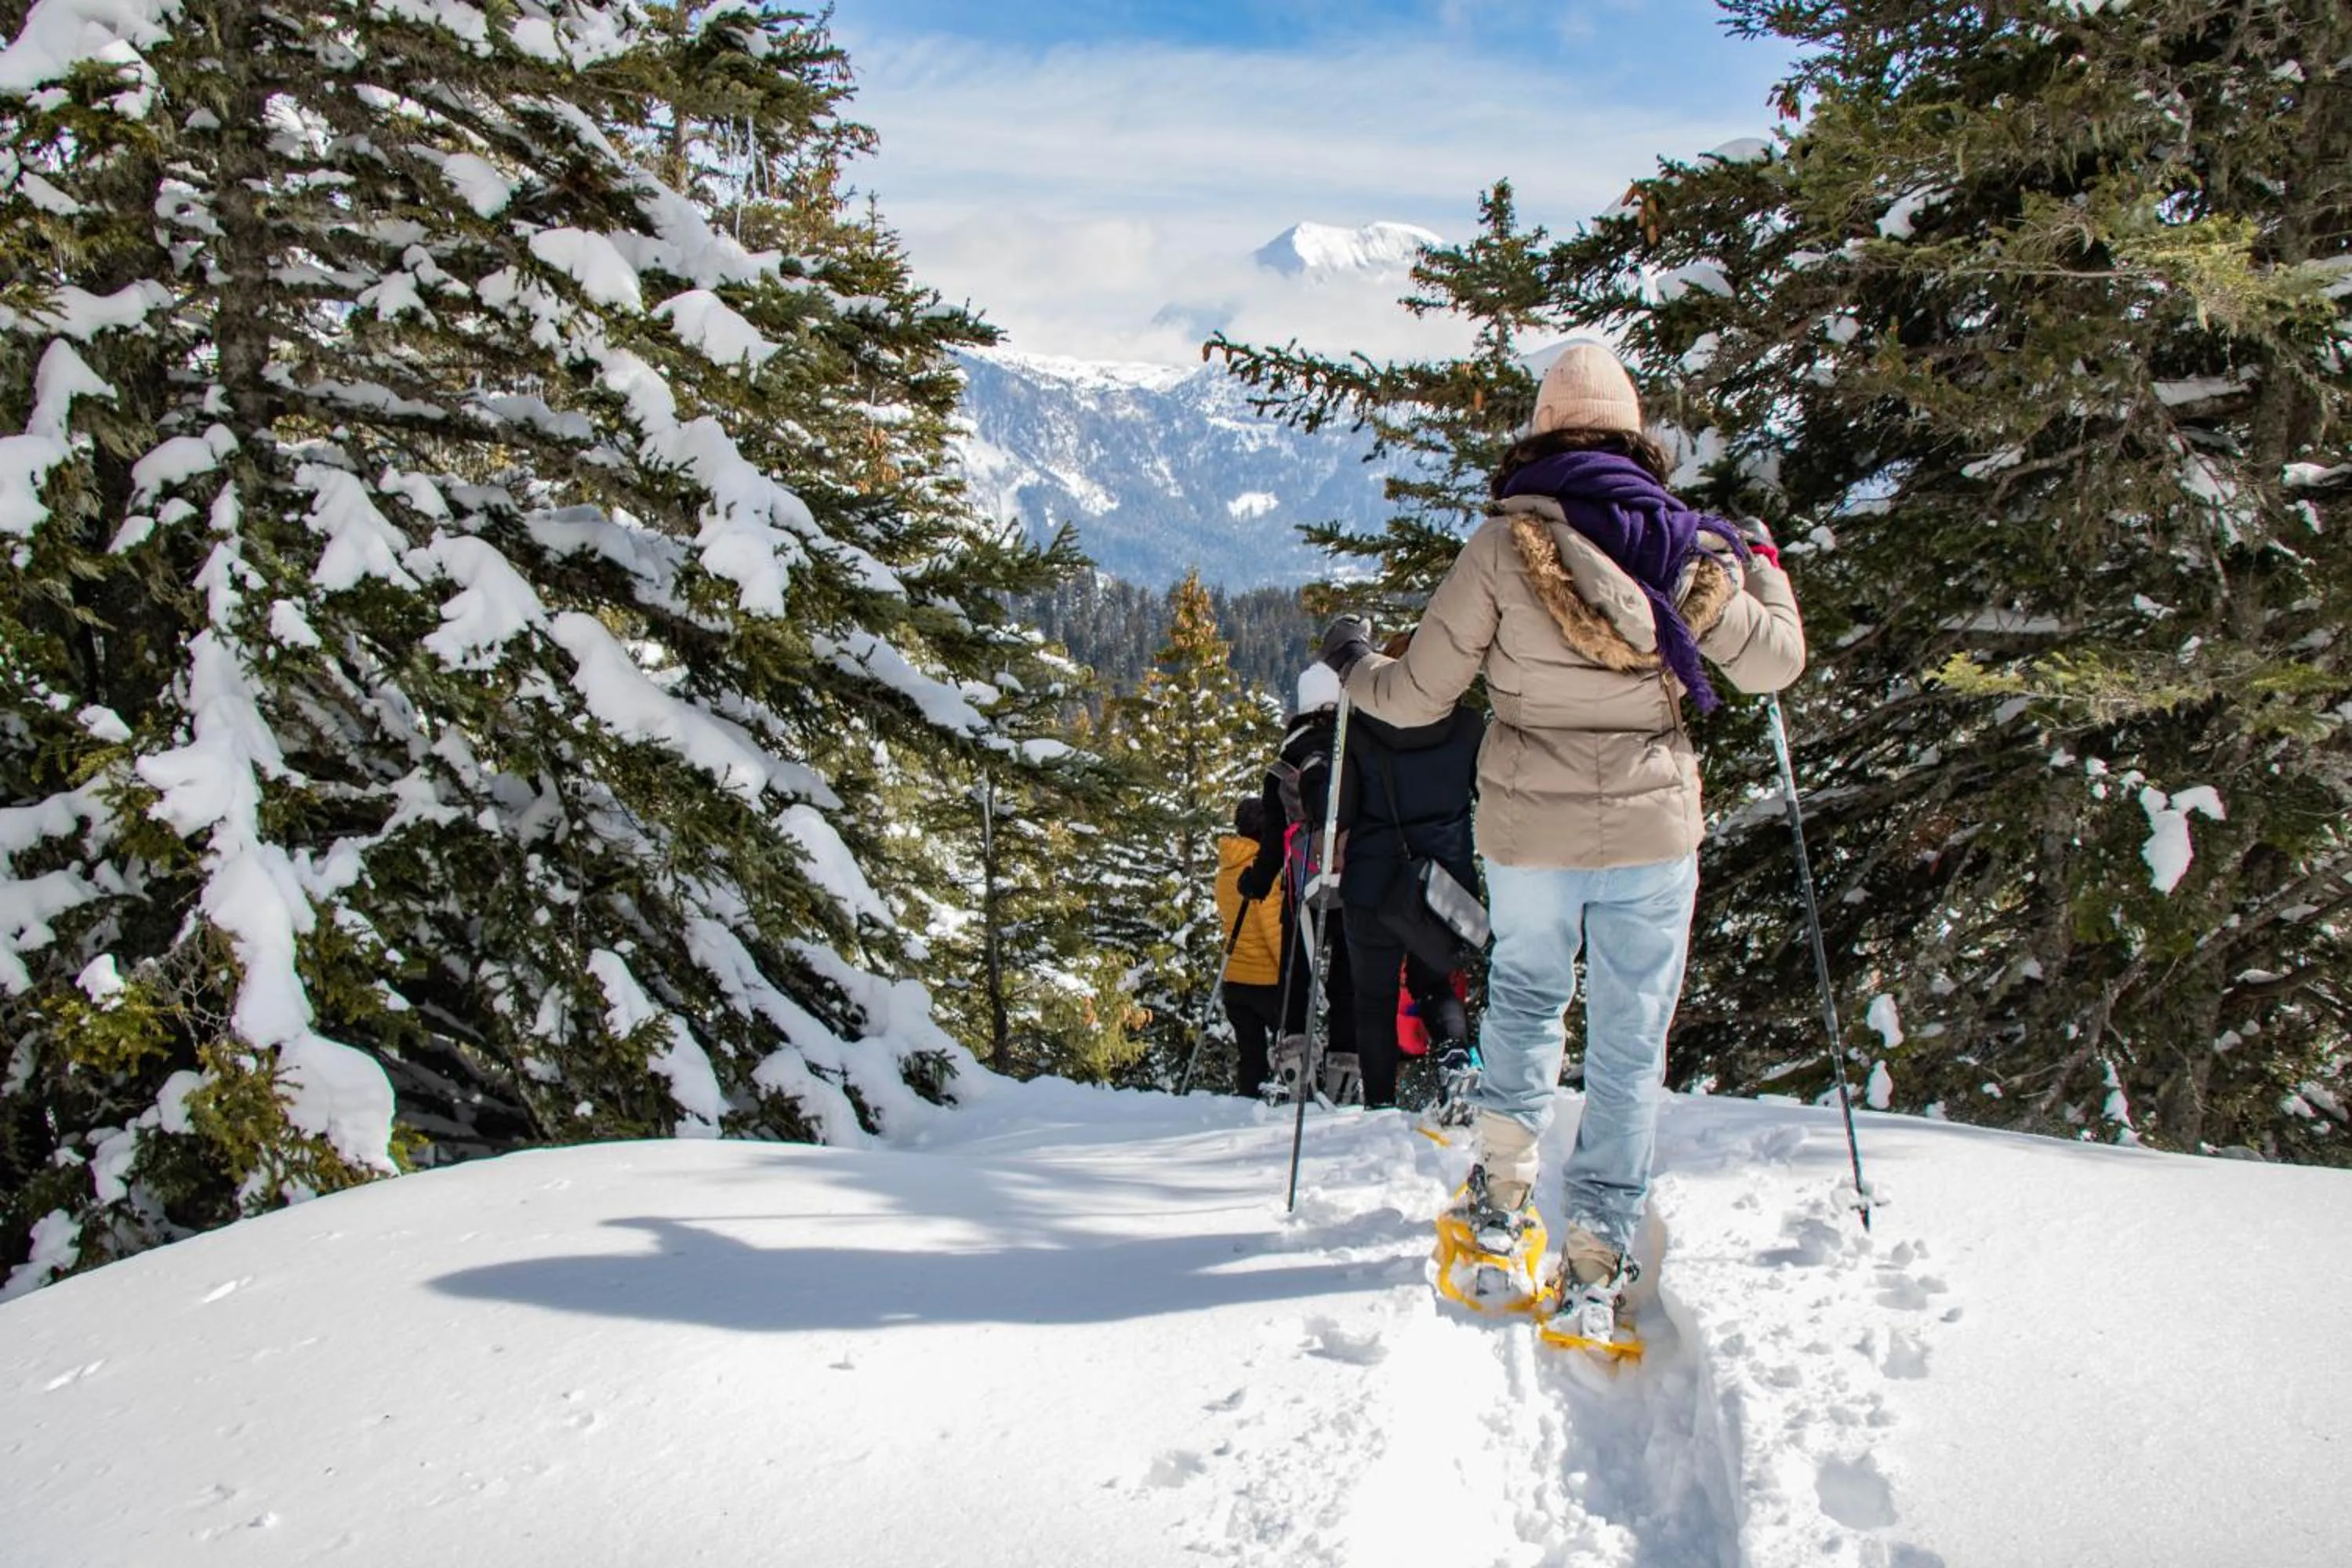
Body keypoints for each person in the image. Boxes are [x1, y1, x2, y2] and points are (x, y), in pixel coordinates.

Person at [1318, 341, 1806, 1338]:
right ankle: (1599, 1247)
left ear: (1538, 435)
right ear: (1638, 440)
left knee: (1530, 1000)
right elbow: (1776, 666)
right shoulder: (1694, 551)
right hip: (1651, 824)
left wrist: (1353, 660)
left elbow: (1414, 698)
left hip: (1529, 829)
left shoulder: (1503, 550)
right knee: (1630, 1034)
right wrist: (1761, 564)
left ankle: (1500, 1202)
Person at [1330, 632, 1482, 1112]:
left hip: (1374, 882)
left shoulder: (1360, 730)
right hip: (1444, 884)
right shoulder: (1470, 727)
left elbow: (1343, 812)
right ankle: (1456, 1065)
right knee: (1437, 984)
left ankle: (1380, 1104)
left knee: (1372, 1000)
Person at [1238, 664, 1359, 1102]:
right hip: (1354, 878)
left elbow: (1274, 839)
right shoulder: (1354, 748)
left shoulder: (1284, 762)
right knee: (1348, 974)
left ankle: (1294, 1067)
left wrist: (1258, 881)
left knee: (1297, 972)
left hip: (1302, 885)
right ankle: (1347, 1070)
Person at [1214, 796, 1287, 1096]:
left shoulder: (1225, 871)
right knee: (1289, 1049)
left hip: (1235, 978)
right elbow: (1274, 932)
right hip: (1267, 981)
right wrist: (1294, 972)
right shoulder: (1262, 873)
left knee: (1251, 1054)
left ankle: (1247, 1105)